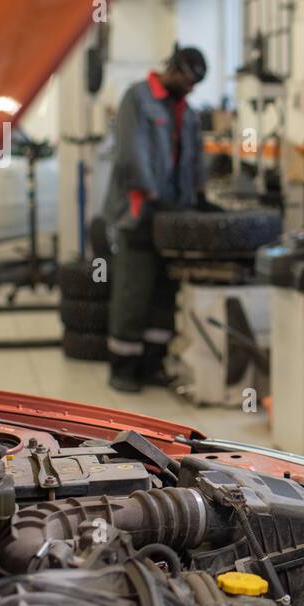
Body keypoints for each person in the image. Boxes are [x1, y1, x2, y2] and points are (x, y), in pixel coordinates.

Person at [103, 43, 207, 392]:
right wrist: (153, 195)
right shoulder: (137, 99)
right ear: (173, 68)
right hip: (140, 214)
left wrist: (197, 197)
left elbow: (193, 158)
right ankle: (123, 367)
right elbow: (131, 156)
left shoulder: (187, 112)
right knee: (134, 291)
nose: (190, 90)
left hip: (174, 218)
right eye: (188, 81)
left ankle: (152, 363)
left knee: (164, 292)